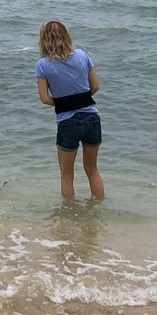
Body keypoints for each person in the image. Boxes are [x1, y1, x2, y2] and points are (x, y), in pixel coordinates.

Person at [35, 20, 104, 200]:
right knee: (92, 169)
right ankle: (98, 209)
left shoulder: (43, 65)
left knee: (67, 175)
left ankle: (69, 216)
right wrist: (80, 99)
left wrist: (64, 103)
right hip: (92, 118)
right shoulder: (81, 55)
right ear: (66, 35)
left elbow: (44, 98)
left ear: (43, 40)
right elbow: (95, 86)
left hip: (67, 122)